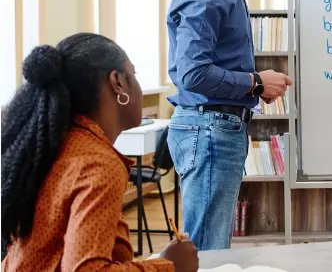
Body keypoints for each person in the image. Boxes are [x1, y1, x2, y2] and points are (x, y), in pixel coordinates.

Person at [1, 33, 199, 272]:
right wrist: (169, 265)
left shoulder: (59, 146)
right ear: (117, 82)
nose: (137, 85)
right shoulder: (97, 164)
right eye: (134, 75)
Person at [166, 0, 292, 251]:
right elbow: (192, 75)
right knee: (207, 249)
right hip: (209, 129)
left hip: (218, 126)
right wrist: (255, 82)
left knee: (213, 244)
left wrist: (257, 86)